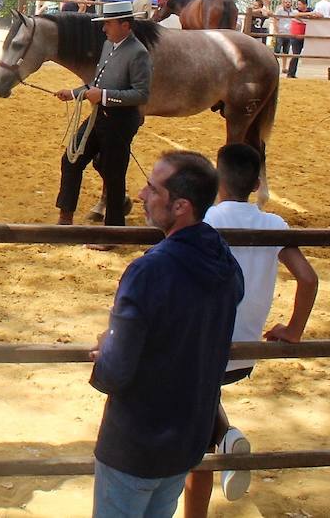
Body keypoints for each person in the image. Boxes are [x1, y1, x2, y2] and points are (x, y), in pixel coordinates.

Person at [89, 151, 243, 518]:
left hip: (135, 443)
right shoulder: (225, 263)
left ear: (181, 207)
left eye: (152, 188)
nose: (141, 195)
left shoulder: (148, 272)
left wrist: (107, 346)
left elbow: (113, 372)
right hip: (186, 440)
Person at [183, 144, 319, 516]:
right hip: (245, 351)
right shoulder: (274, 224)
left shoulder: (205, 222)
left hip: (200, 351)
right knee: (205, 407)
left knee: (196, 438)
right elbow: (307, 278)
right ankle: (224, 437)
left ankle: (226, 438)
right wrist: (294, 329)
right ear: (257, 183)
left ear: (216, 181)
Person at [53, 1, 152, 228]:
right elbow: (96, 83)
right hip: (100, 116)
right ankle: (65, 217)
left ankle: (114, 229)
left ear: (125, 25)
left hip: (120, 122)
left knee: (114, 175)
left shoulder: (139, 53)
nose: (104, 29)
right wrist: (74, 93)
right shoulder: (110, 45)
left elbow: (141, 95)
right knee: (71, 158)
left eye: (108, 23)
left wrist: (105, 97)